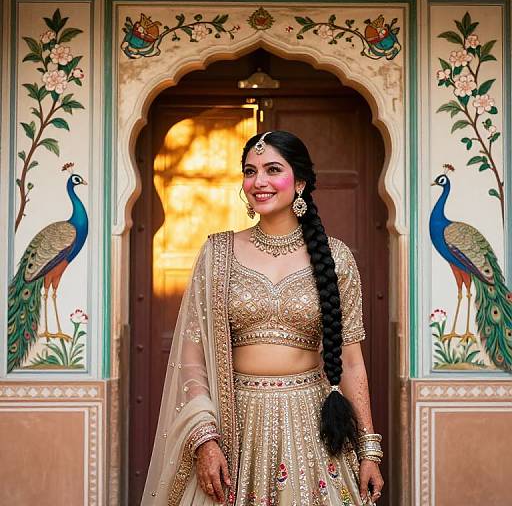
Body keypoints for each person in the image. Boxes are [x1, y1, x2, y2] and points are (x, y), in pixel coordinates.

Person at [141, 131, 384, 505]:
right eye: (250, 171)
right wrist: (205, 439)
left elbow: (351, 362)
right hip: (235, 425)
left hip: (312, 429)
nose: (259, 182)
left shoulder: (336, 259)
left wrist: (368, 450)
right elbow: (191, 360)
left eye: (273, 169)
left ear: (300, 182)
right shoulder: (217, 253)